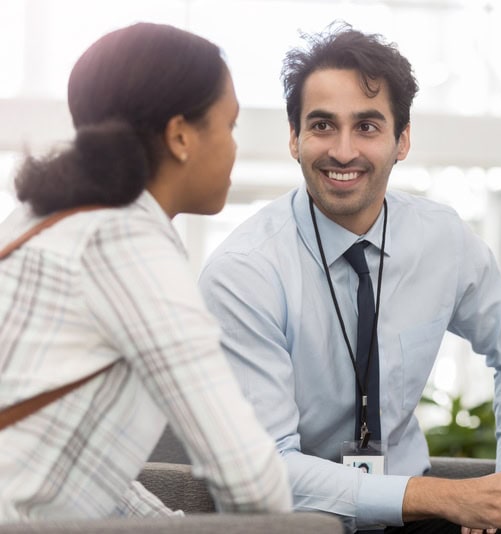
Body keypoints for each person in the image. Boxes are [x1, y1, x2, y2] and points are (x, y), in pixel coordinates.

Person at [199, 24, 501, 534]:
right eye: (322, 126)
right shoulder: (245, 272)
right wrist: (440, 496)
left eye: (366, 126)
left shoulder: (441, 239)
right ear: (294, 138)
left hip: (422, 522)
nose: (342, 151)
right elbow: (266, 469)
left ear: (401, 140)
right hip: (302, 523)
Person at [0, 23, 291, 521]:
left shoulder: (44, 220)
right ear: (180, 135)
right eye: (231, 125)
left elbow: (70, 467)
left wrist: (169, 526)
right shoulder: (123, 242)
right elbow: (252, 480)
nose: (234, 147)